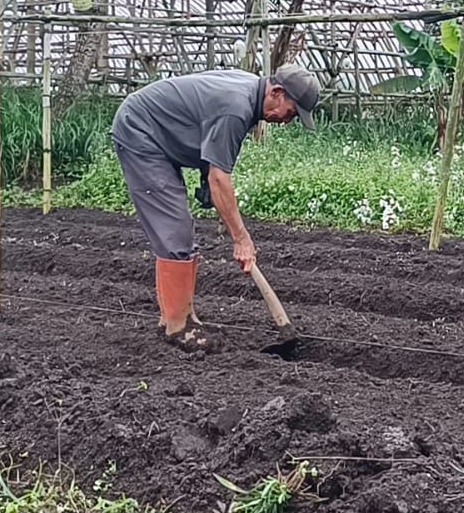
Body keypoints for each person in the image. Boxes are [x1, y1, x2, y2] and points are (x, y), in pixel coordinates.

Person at [111, 64, 319, 350]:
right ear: (277, 92)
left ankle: (176, 317)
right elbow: (220, 177)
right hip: (141, 132)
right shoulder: (236, 107)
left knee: (177, 230)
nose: (288, 121)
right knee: (175, 230)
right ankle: (179, 326)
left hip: (158, 130)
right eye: (291, 112)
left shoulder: (250, 92)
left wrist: (208, 181)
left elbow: (205, 129)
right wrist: (241, 238)